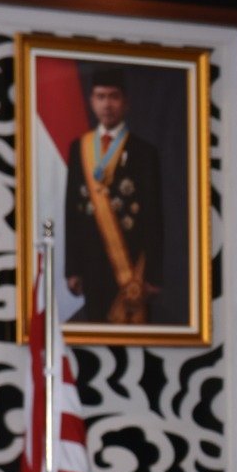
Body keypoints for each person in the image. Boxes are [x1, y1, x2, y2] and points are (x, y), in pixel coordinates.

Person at [64, 65, 163, 325]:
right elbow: (71, 211)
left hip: (132, 266)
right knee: (95, 332)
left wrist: (153, 274)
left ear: (126, 103)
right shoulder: (79, 148)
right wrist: (72, 268)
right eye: (100, 97)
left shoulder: (144, 152)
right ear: (91, 102)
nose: (107, 104)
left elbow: (155, 215)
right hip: (90, 261)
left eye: (113, 97)